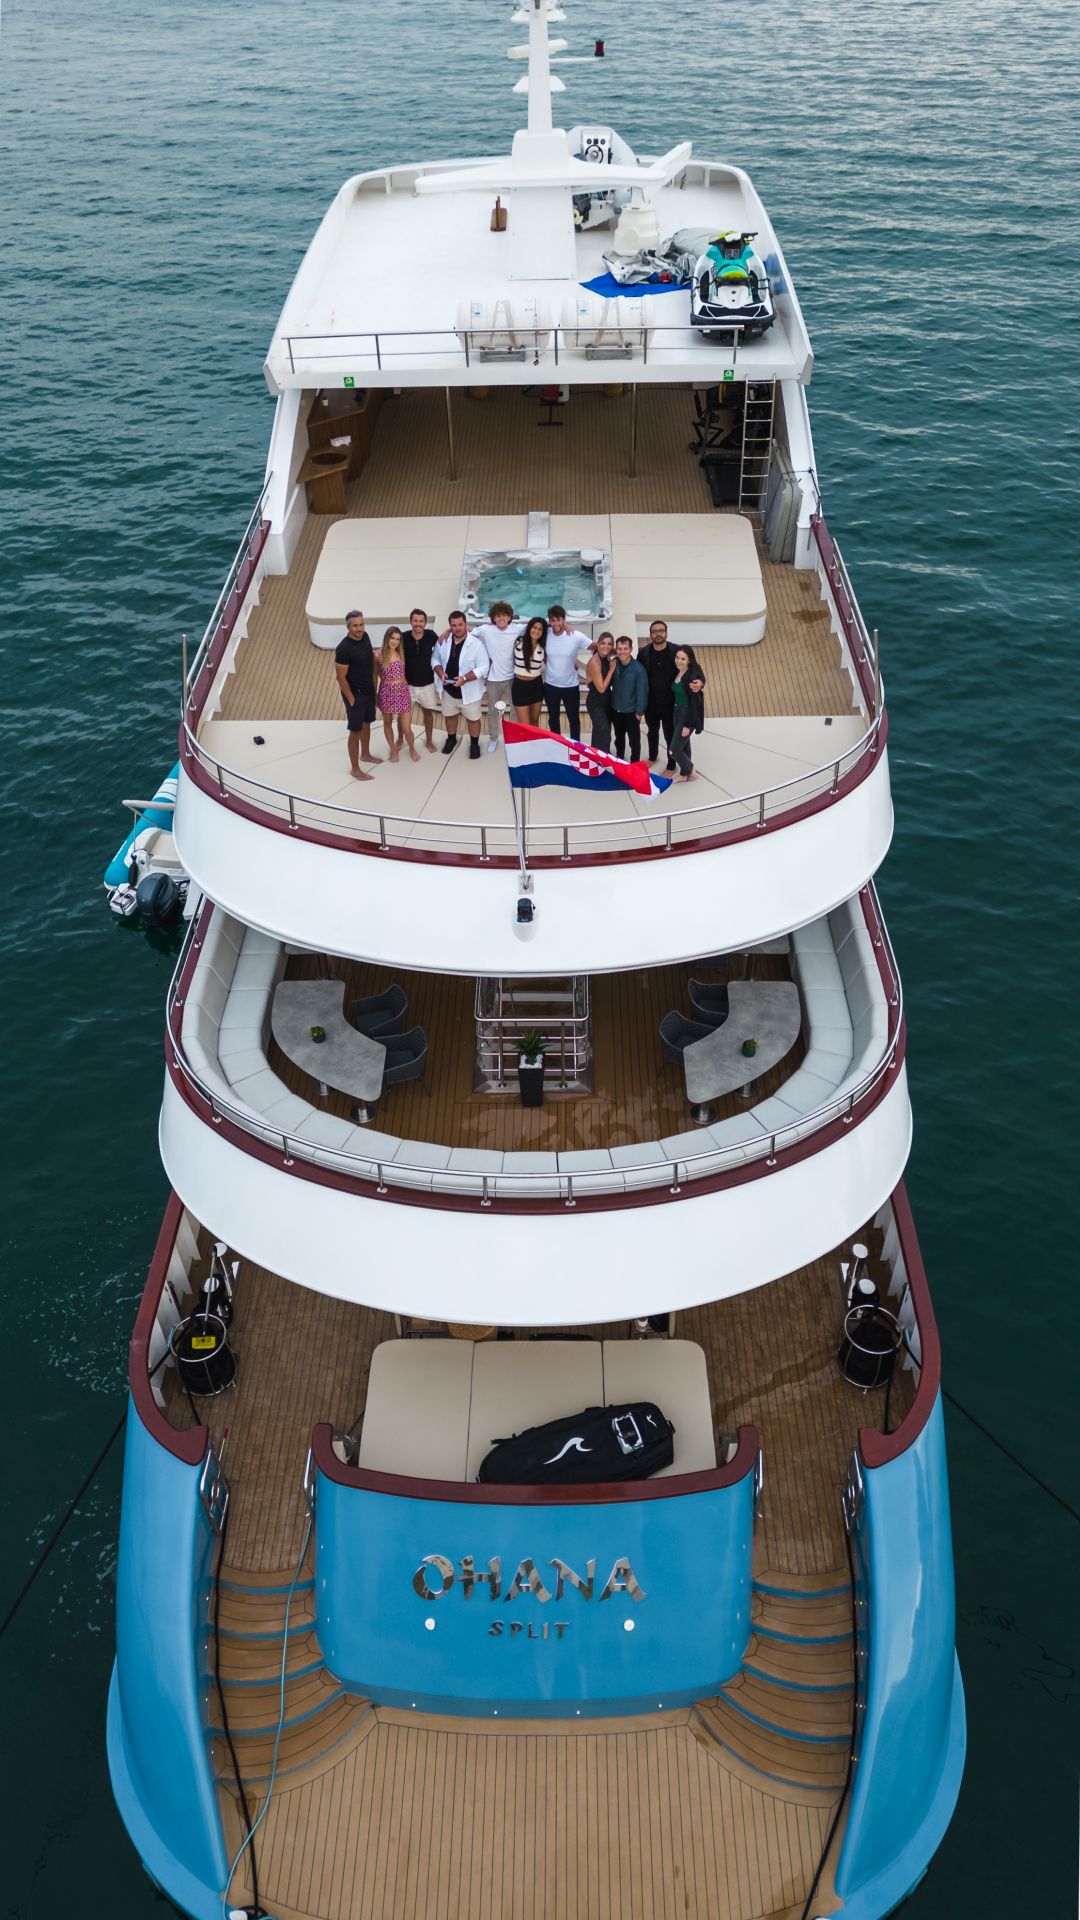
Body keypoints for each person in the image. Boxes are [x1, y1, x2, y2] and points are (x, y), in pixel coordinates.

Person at [469, 600, 524, 752]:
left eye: (504, 615)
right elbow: (466, 635)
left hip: (513, 678)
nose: (501, 618)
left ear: (509, 617)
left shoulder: (517, 629)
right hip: (493, 679)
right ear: (493, 618)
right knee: (493, 712)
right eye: (497, 616)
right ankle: (494, 738)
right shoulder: (485, 630)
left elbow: (538, 626)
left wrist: (564, 626)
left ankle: (512, 739)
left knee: (515, 710)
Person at [433, 611, 489, 758]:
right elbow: (435, 659)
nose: (457, 628)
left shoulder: (476, 644)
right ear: (450, 626)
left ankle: (474, 744)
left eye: (460, 625)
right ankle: (451, 739)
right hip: (448, 690)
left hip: (469, 691)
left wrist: (464, 678)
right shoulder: (443, 641)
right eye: (453, 625)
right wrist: (440, 673)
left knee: (473, 719)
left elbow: (484, 667)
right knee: (450, 716)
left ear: (466, 624)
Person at [334, 609, 381, 780]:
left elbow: (369, 659)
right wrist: (352, 699)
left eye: (361, 624)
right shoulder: (343, 649)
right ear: (348, 627)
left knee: (367, 723)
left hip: (368, 691)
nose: (359, 628)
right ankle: (355, 769)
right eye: (355, 626)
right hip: (355, 695)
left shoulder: (366, 637)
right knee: (355, 730)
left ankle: (366, 754)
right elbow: (340, 677)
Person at [543, 604, 591, 740]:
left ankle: (575, 746)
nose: (556, 623)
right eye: (552, 620)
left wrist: (593, 672)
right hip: (550, 685)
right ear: (549, 621)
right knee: (553, 719)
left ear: (564, 620)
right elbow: (531, 628)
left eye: (559, 620)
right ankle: (557, 744)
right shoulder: (546, 633)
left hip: (570, 686)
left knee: (574, 719)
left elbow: (595, 647)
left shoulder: (575, 635)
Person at [638, 618, 678, 771]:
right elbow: (638, 676)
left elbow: (693, 669)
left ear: (666, 633)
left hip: (670, 703)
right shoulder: (644, 653)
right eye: (654, 631)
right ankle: (653, 756)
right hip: (651, 704)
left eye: (661, 631)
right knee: (652, 732)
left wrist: (699, 681)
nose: (658, 634)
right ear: (650, 635)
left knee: (670, 735)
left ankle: (671, 764)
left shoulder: (676, 651)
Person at [376, 626, 419, 763]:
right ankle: (393, 751)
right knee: (387, 723)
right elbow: (375, 673)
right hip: (386, 692)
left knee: (407, 729)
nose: (394, 641)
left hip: (402, 691)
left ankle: (412, 748)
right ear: (387, 638)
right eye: (392, 638)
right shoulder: (378, 655)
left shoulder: (401, 653)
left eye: (397, 639)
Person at [403, 607, 441, 754]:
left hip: (427, 684)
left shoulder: (431, 635)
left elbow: (442, 647)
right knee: (404, 715)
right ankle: (401, 738)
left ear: (425, 623)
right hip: (408, 685)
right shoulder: (404, 637)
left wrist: (447, 632)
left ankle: (429, 740)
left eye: (421, 621)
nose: (418, 624)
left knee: (427, 713)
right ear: (410, 622)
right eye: (415, 621)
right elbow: (392, 649)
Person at [609, 634, 648, 762]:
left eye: (625, 648)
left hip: (631, 712)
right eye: (619, 649)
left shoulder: (639, 669)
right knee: (618, 738)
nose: (622, 652)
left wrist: (639, 712)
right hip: (616, 710)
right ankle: (619, 758)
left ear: (631, 649)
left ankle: (634, 762)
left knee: (634, 740)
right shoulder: (614, 664)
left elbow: (642, 692)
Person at [670, 646, 706, 781]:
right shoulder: (678, 671)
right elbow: (700, 671)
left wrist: (688, 724)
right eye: (677, 658)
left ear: (689, 660)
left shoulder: (692, 678)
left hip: (687, 715)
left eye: (683, 659)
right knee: (684, 744)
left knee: (674, 750)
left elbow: (694, 704)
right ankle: (686, 774)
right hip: (677, 711)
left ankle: (691, 770)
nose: (679, 661)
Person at [584, 631, 617, 753]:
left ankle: (595, 758)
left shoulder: (606, 658)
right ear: (597, 644)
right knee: (604, 735)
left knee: (600, 732)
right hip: (596, 703)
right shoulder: (594, 662)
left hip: (606, 701)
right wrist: (612, 669)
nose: (606, 646)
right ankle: (604, 763)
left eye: (609, 644)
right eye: (603, 643)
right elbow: (601, 688)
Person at [512, 616, 548, 725]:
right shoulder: (518, 642)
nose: (536, 631)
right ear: (529, 628)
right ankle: (526, 742)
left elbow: (551, 663)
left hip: (536, 686)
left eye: (540, 629)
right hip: (520, 687)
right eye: (534, 627)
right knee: (525, 725)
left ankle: (535, 743)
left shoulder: (543, 647)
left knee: (534, 721)